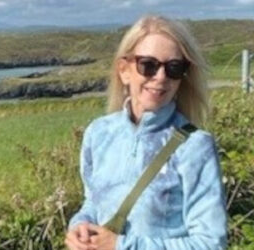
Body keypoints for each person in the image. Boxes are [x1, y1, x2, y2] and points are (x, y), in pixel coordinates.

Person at [65, 15, 227, 250]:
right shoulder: (99, 133)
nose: (160, 77)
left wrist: (122, 246)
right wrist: (79, 225)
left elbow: (210, 243)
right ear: (124, 70)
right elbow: (93, 203)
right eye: (148, 65)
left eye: (174, 68)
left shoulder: (194, 146)